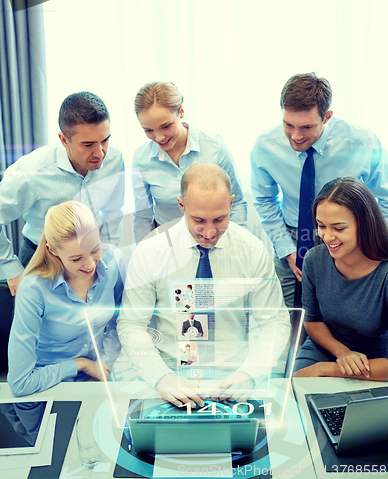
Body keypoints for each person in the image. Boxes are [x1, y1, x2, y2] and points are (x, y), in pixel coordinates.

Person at [117, 164, 290, 408]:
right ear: (181, 206)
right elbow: (132, 324)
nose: (209, 232)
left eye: (219, 219)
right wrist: (161, 377)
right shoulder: (151, 250)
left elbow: (274, 321)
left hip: (232, 374)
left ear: (231, 204)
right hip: (168, 369)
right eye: (198, 220)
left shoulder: (252, 250)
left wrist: (250, 373)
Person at [251, 73, 388, 308]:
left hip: (348, 237)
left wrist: (369, 242)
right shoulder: (266, 145)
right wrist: (287, 249)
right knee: (284, 316)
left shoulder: (361, 142)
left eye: (306, 127)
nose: (295, 136)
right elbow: (265, 200)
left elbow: (384, 197)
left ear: (327, 117)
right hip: (292, 236)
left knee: (344, 315)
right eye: (288, 125)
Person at [0, 91, 125, 296]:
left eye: (105, 140)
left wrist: (108, 255)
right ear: (64, 140)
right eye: (88, 144)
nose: (100, 153)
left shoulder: (115, 158)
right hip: (43, 260)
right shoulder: (30, 172)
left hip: (92, 257)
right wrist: (12, 270)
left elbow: (113, 211)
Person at [7, 201, 123, 397]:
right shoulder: (34, 288)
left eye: (95, 249)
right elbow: (20, 384)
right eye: (76, 258)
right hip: (46, 386)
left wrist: (103, 364)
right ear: (52, 250)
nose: (90, 265)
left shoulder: (113, 262)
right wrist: (81, 365)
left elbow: (118, 321)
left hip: (97, 381)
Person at [293, 178, 388, 380]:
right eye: (321, 226)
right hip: (326, 346)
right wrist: (342, 353)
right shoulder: (314, 260)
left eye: (338, 228)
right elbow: (313, 321)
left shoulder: (385, 272)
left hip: (380, 359)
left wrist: (326, 369)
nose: (327, 237)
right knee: (295, 394)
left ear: (365, 224)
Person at [132, 82, 247, 242]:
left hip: (216, 241)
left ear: (181, 112)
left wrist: (235, 245)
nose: (158, 137)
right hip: (169, 246)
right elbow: (143, 217)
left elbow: (237, 202)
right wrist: (143, 254)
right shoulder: (141, 159)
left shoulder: (215, 147)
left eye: (165, 126)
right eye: (148, 130)